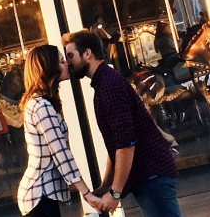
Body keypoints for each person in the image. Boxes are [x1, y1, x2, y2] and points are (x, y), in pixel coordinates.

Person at [62, 30, 181, 217]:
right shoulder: (105, 83)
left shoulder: (109, 86)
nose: (68, 63)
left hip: (152, 177)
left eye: (70, 56)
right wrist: (105, 187)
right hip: (150, 178)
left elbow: (126, 144)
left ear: (87, 53)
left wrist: (115, 193)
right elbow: (117, 144)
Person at [17, 45, 101, 216]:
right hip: (39, 194)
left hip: (43, 193)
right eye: (62, 62)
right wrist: (86, 193)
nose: (67, 65)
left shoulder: (42, 103)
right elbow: (61, 153)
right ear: (49, 68)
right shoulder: (41, 106)